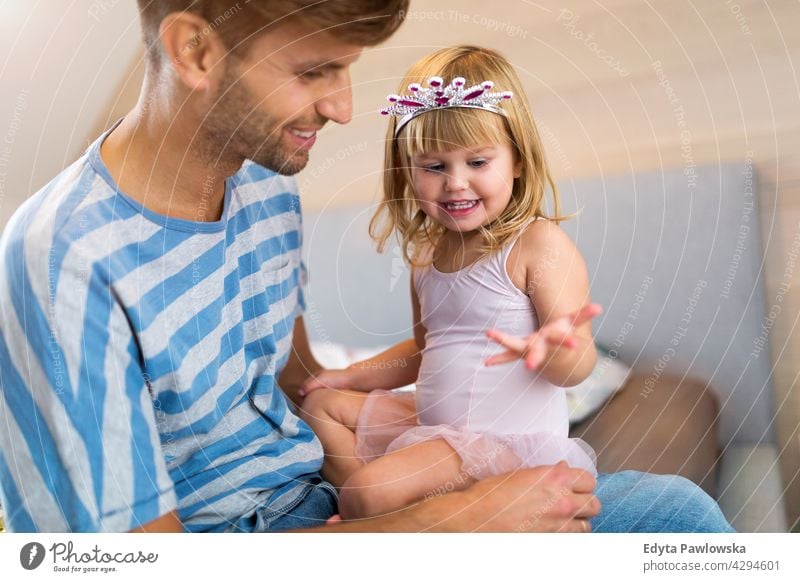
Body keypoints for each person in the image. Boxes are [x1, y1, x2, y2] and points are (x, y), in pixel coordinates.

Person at [0, 2, 730, 533]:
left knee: (681, 516)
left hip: (326, 499)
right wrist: (449, 521)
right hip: (248, 542)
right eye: (315, 70)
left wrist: (408, 452)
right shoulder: (63, 260)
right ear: (194, 51)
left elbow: (292, 385)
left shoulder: (264, 187)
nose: (346, 108)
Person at [298, 46, 735, 531]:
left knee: (368, 493)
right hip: (439, 431)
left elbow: (578, 366)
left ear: (518, 162)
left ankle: (368, 508)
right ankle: (381, 509)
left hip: (504, 445)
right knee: (320, 405)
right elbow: (425, 351)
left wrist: (552, 349)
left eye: (478, 162)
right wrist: (352, 375)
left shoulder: (536, 245)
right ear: (408, 172)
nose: (456, 183)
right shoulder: (427, 258)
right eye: (434, 167)